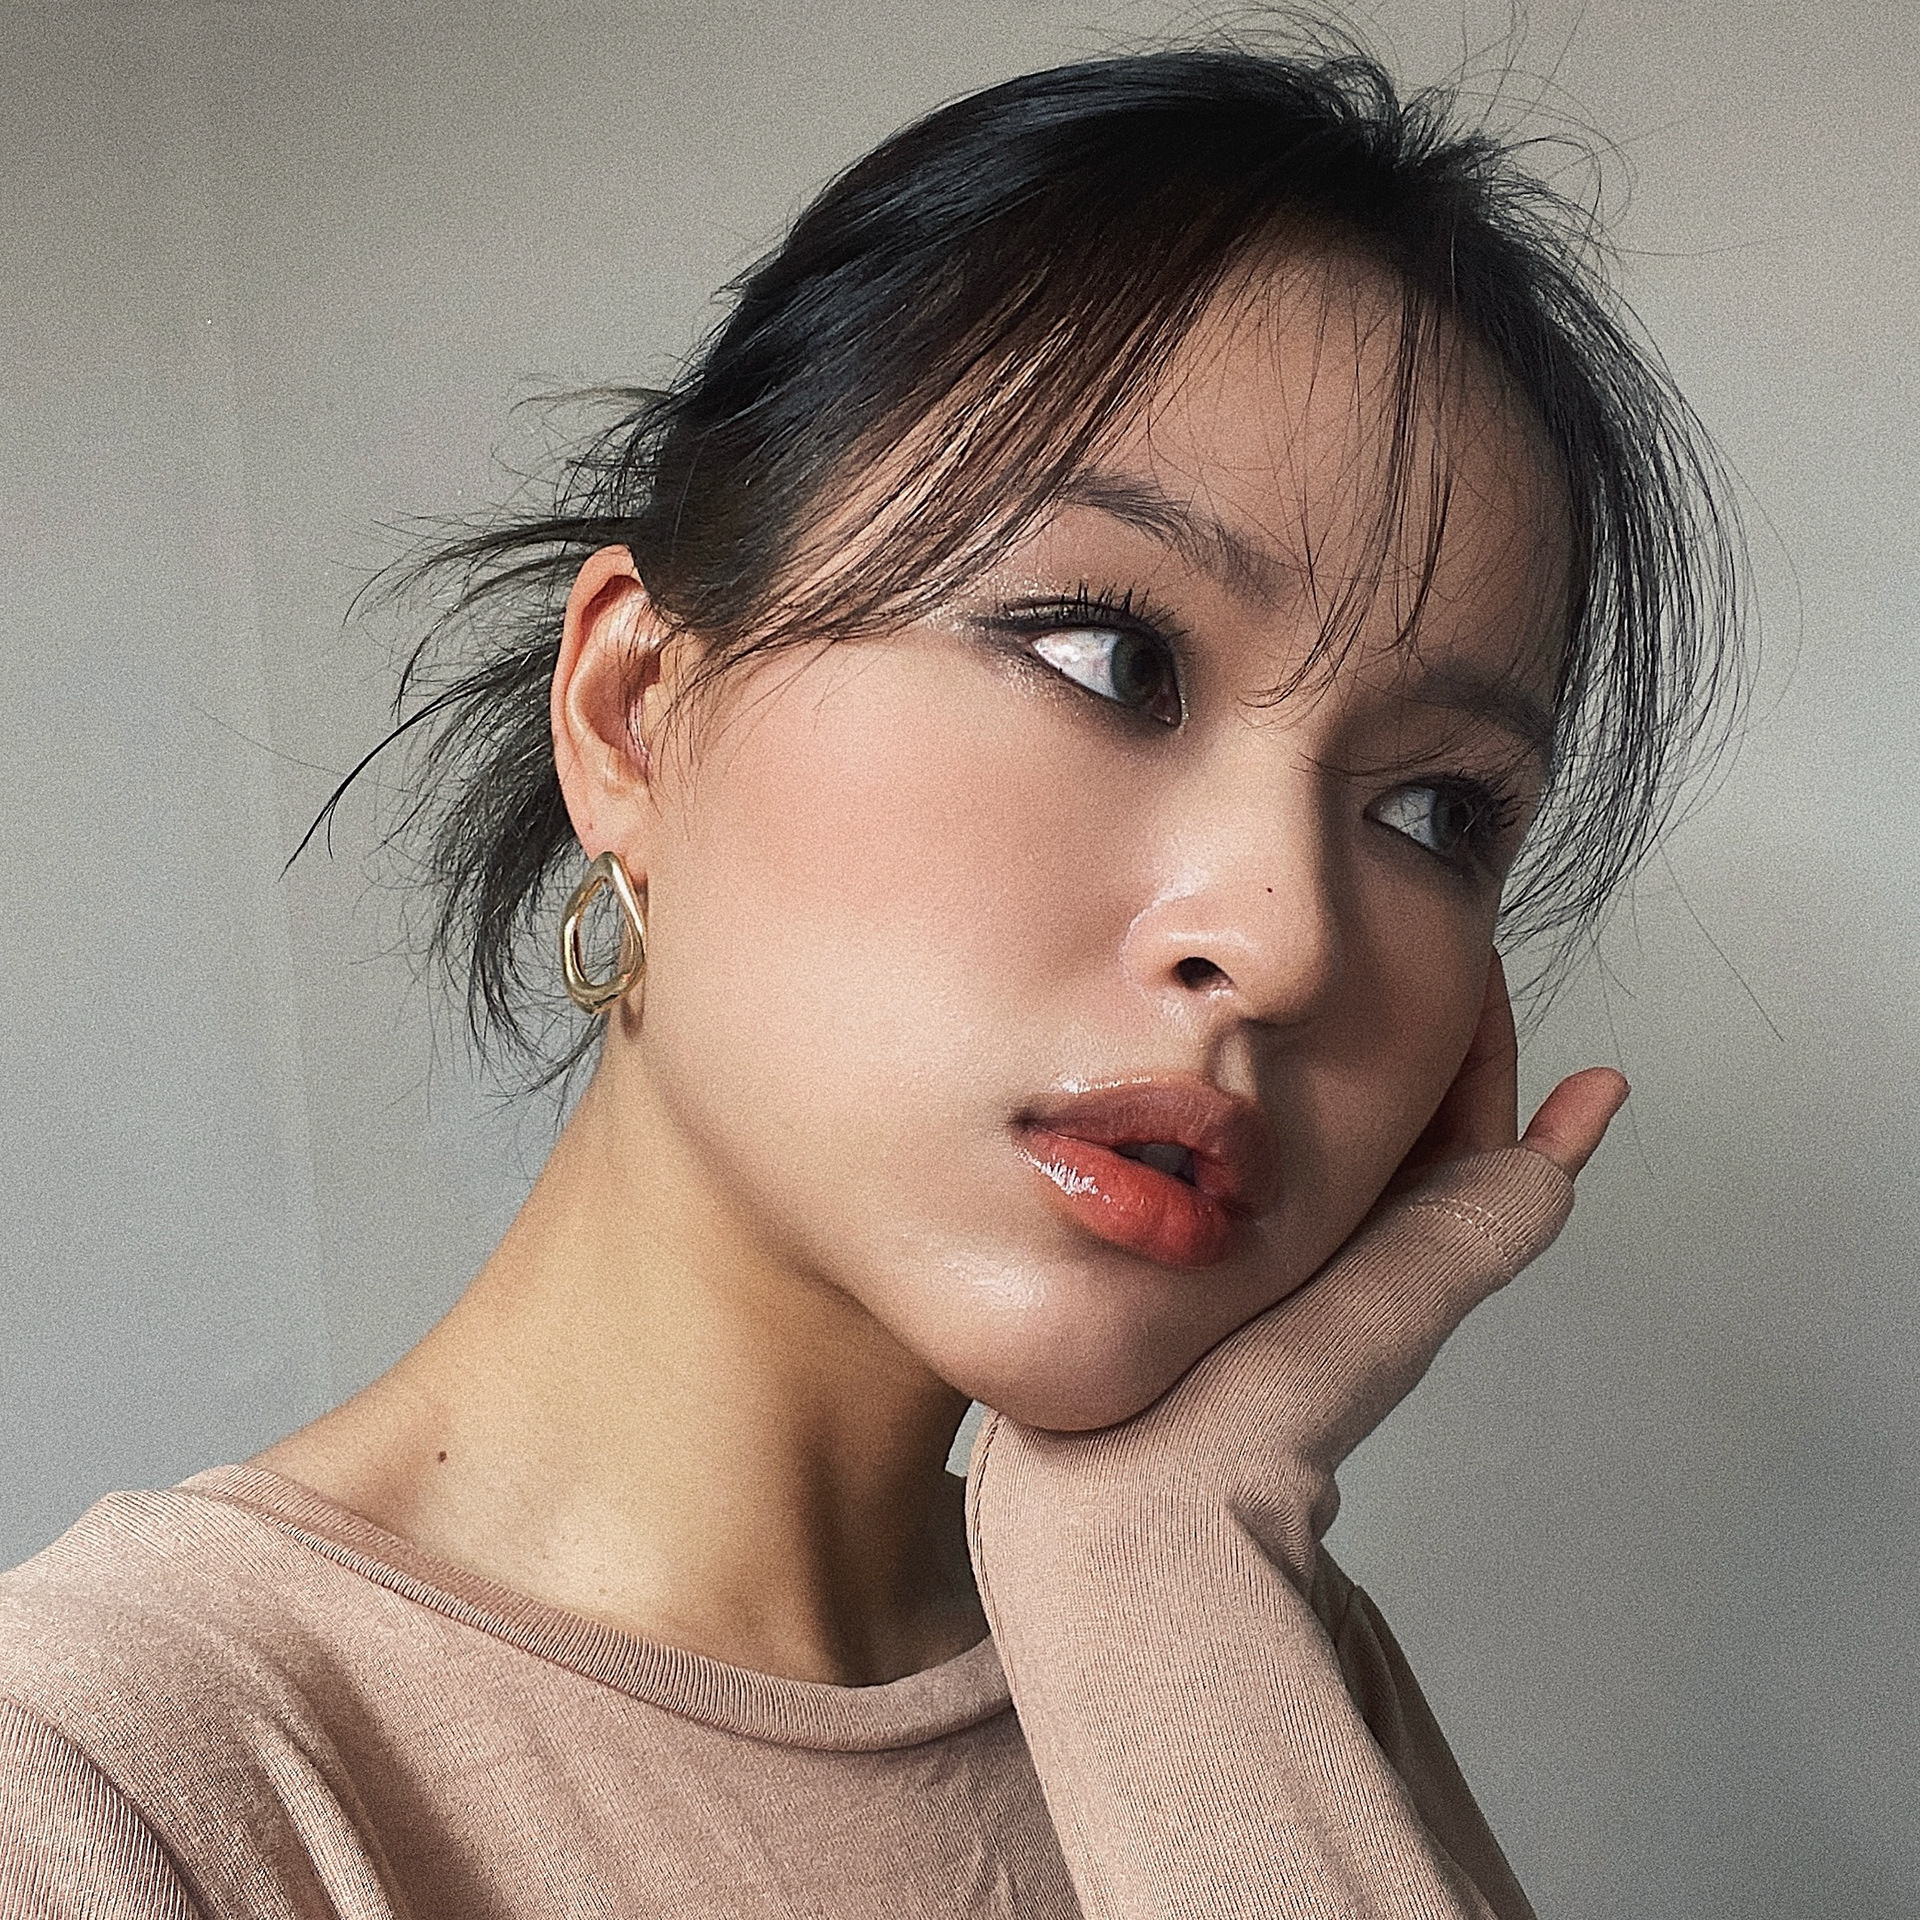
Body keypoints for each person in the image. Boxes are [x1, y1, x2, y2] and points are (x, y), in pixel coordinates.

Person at [0, 33, 1741, 1920]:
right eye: (1110, 658)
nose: (1286, 942)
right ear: (635, 714)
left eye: (1431, 812)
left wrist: (1154, 1564)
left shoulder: (1245, 1655)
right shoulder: (107, 1779)